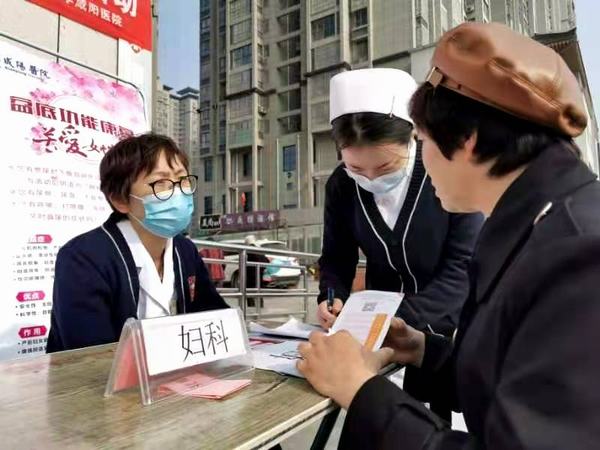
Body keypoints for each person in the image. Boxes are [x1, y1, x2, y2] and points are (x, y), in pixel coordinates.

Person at [298, 22, 600, 449]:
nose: (422, 161)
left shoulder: (579, 257)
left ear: (465, 139)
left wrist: (361, 391)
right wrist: (423, 349)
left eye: (422, 140)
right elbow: (508, 375)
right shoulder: (535, 227)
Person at [316, 68, 483, 418]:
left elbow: (462, 268)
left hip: (449, 327)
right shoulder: (341, 186)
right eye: (356, 169)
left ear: (413, 137)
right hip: (381, 334)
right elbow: (335, 258)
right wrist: (331, 298)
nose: (370, 178)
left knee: (441, 421)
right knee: (379, 417)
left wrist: (391, 321)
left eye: (385, 166)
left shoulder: (443, 170)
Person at [47, 133, 228, 353]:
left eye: (183, 179)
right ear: (120, 199)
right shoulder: (83, 258)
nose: (178, 192)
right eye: (161, 183)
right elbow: (90, 354)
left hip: (180, 371)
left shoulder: (184, 249)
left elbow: (215, 315)